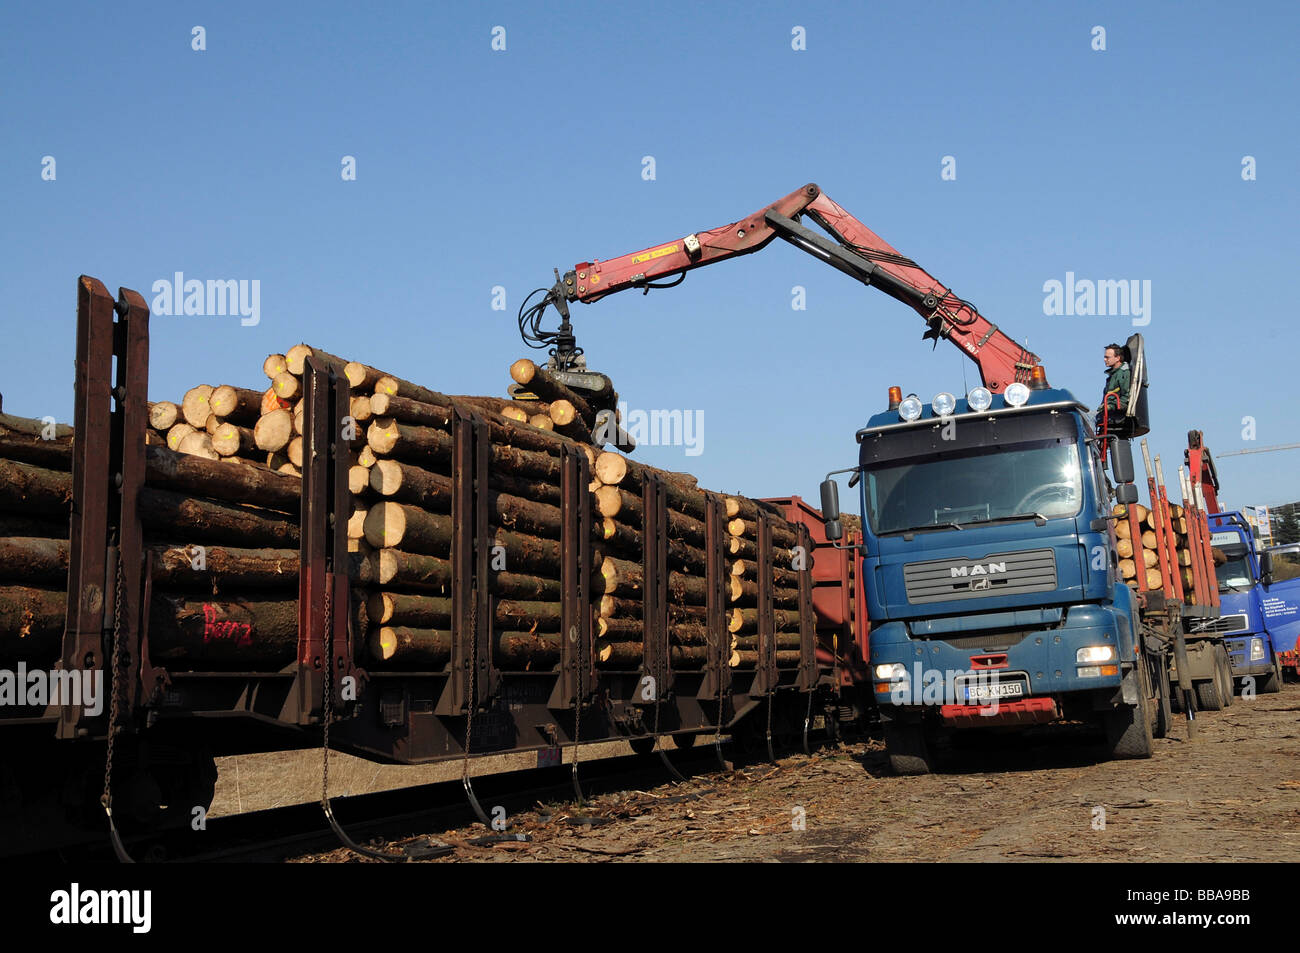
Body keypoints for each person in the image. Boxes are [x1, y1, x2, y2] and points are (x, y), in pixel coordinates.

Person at [1096, 343, 1131, 435]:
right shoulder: (1113, 375)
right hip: (1107, 413)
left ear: (1117, 358)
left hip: (1115, 414)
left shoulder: (1123, 374)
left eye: (1107, 357)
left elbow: (1127, 397)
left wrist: (1110, 406)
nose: (1104, 359)